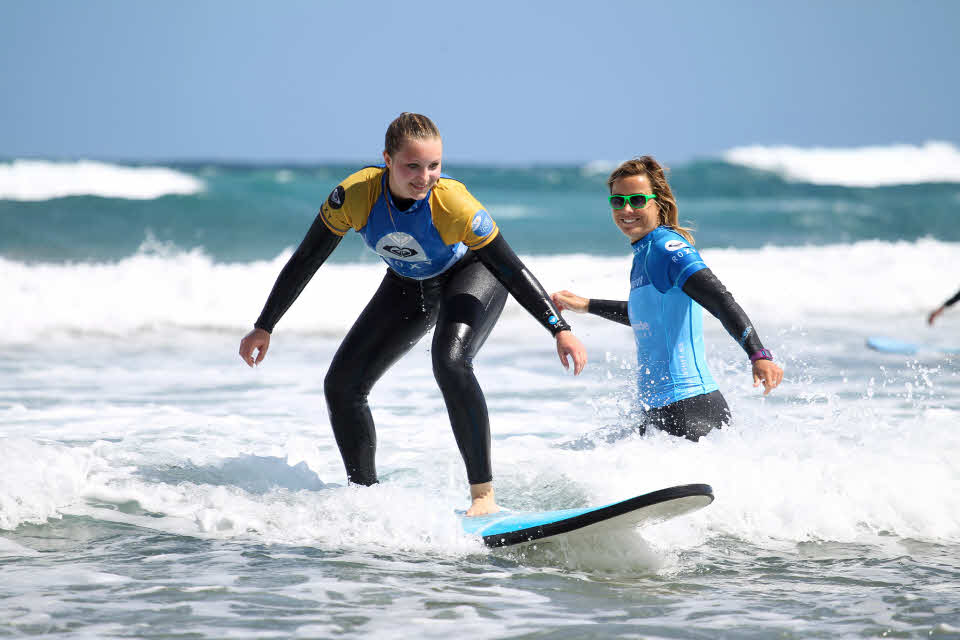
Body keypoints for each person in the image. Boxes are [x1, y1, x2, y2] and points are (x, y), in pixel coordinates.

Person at [238, 113, 586, 516]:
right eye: (413, 166)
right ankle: (365, 497)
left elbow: (508, 267)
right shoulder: (355, 196)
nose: (424, 177)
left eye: (434, 165)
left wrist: (558, 328)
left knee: (450, 361)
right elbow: (307, 258)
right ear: (387, 159)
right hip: (410, 283)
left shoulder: (453, 204)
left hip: (473, 273)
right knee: (342, 385)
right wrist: (264, 325)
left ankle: (483, 497)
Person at [551, 156, 782, 441]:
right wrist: (587, 305)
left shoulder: (669, 250)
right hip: (663, 410)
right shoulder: (644, 254)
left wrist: (758, 355)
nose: (626, 209)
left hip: (691, 408)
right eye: (618, 201)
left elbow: (721, 300)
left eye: (637, 200)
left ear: (657, 202)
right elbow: (650, 317)